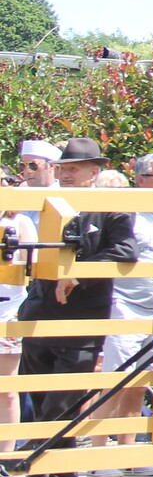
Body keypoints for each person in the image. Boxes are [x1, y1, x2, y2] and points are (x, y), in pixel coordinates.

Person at [14, 139, 144, 477]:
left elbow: (125, 251)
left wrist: (78, 273)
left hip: (81, 316)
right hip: (39, 311)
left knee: (64, 402)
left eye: (75, 167)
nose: (66, 173)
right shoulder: (45, 202)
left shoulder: (109, 206)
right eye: (62, 167)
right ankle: (46, 473)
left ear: (95, 171)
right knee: (40, 398)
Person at [85, 153, 153, 477]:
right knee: (115, 380)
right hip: (124, 303)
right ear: (140, 179)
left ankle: (129, 452)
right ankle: (97, 454)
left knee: (140, 383)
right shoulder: (128, 213)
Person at [2, 140, 63, 453]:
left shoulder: (25, 216)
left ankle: (12, 449)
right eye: (22, 166)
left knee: (13, 385)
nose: (24, 173)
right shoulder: (25, 204)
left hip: (20, 304)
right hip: (29, 301)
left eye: (32, 166)